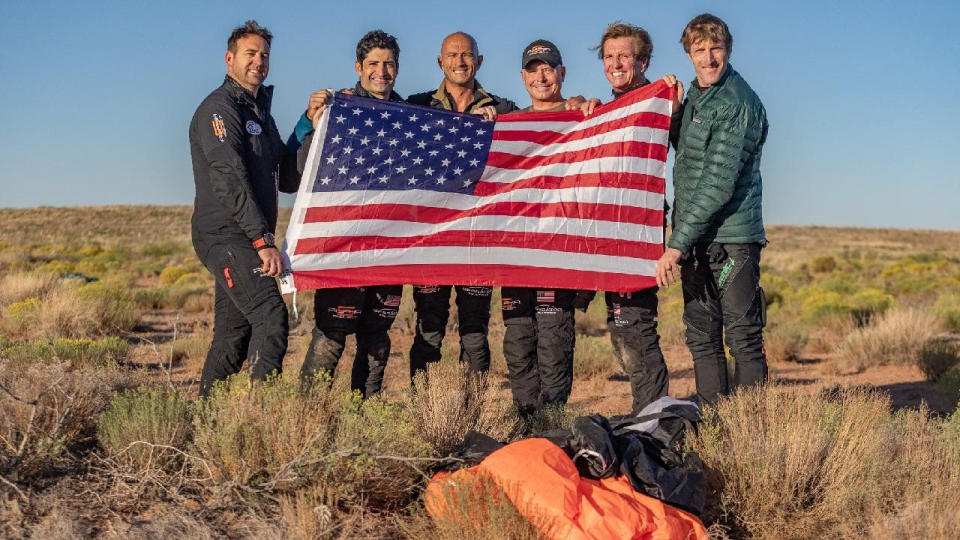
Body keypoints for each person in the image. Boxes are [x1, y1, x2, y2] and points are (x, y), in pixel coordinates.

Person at [656, 14, 769, 405]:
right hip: (698, 237)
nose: (709, 58)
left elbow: (718, 182)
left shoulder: (737, 102)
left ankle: (751, 431)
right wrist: (672, 114)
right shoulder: (697, 97)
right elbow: (687, 155)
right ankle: (714, 424)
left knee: (742, 336)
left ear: (729, 49)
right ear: (688, 54)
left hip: (733, 238)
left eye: (715, 48)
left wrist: (676, 243)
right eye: (700, 50)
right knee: (702, 334)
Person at [188, 20, 300, 397]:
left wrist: (309, 126)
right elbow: (228, 176)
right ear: (229, 59)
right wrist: (261, 238)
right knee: (270, 317)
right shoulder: (220, 110)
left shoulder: (260, 114)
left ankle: (206, 422)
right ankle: (258, 416)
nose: (259, 61)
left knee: (233, 336)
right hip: (226, 235)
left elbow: (287, 176)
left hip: (246, 236)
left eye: (264, 55)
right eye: (250, 53)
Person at [291, 30, 406, 398]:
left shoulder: (410, 114)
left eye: (388, 63)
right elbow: (298, 166)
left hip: (389, 247)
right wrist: (310, 119)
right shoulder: (336, 107)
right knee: (331, 338)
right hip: (343, 244)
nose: (381, 71)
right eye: (373, 63)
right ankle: (306, 417)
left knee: (377, 341)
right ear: (359, 67)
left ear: (397, 68)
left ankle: (365, 417)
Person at [405, 32, 519, 378]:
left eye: (467, 55)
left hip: (477, 238)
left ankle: (473, 413)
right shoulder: (416, 105)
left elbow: (541, 125)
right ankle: (427, 412)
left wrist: (500, 123)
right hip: (432, 238)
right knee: (429, 329)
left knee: (474, 331)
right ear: (440, 61)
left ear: (479, 61)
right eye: (452, 55)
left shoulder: (504, 109)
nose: (459, 61)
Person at [587, 22, 670, 414]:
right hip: (607, 232)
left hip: (637, 231)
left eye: (624, 55)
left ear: (643, 60)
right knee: (620, 325)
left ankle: (653, 417)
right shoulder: (609, 109)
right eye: (609, 56)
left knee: (636, 325)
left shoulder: (654, 102)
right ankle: (645, 412)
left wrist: (671, 97)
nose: (616, 63)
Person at [500, 39, 584, 415]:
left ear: (562, 73)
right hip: (515, 255)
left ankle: (552, 422)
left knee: (554, 343)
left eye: (548, 68)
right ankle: (526, 423)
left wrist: (583, 107)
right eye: (533, 69)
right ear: (522, 77)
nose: (541, 76)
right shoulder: (508, 122)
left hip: (558, 255)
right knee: (518, 343)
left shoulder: (582, 117)